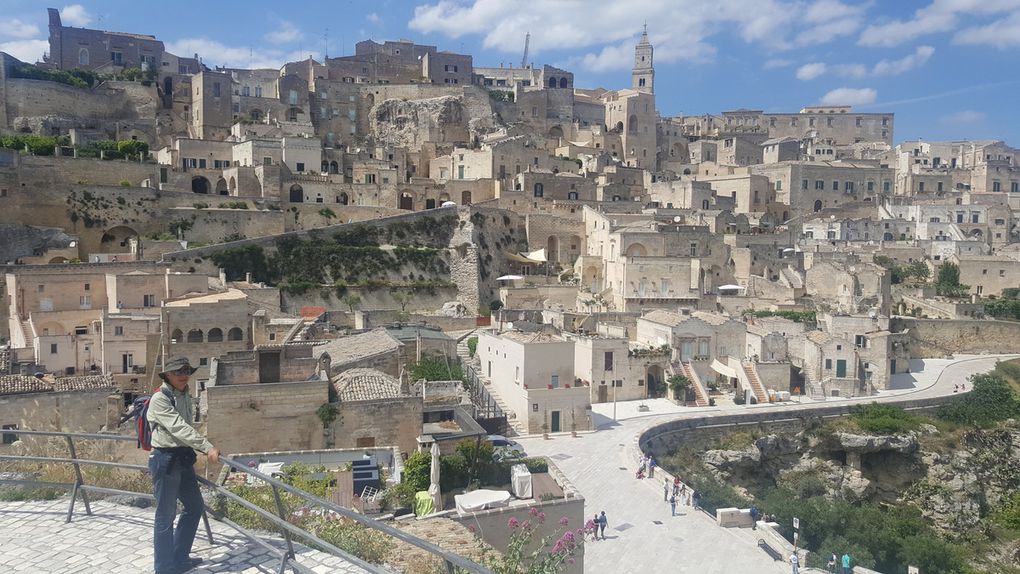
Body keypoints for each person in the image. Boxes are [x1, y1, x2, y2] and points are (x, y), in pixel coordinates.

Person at [148, 357, 222, 574]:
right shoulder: (160, 399)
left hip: (182, 458)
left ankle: (180, 558)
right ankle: (164, 568)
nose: (184, 374)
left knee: (194, 507)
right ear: (168, 375)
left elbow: (186, 427)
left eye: (187, 370)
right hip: (166, 460)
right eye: (178, 371)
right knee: (165, 516)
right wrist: (207, 447)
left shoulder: (184, 394)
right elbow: (179, 428)